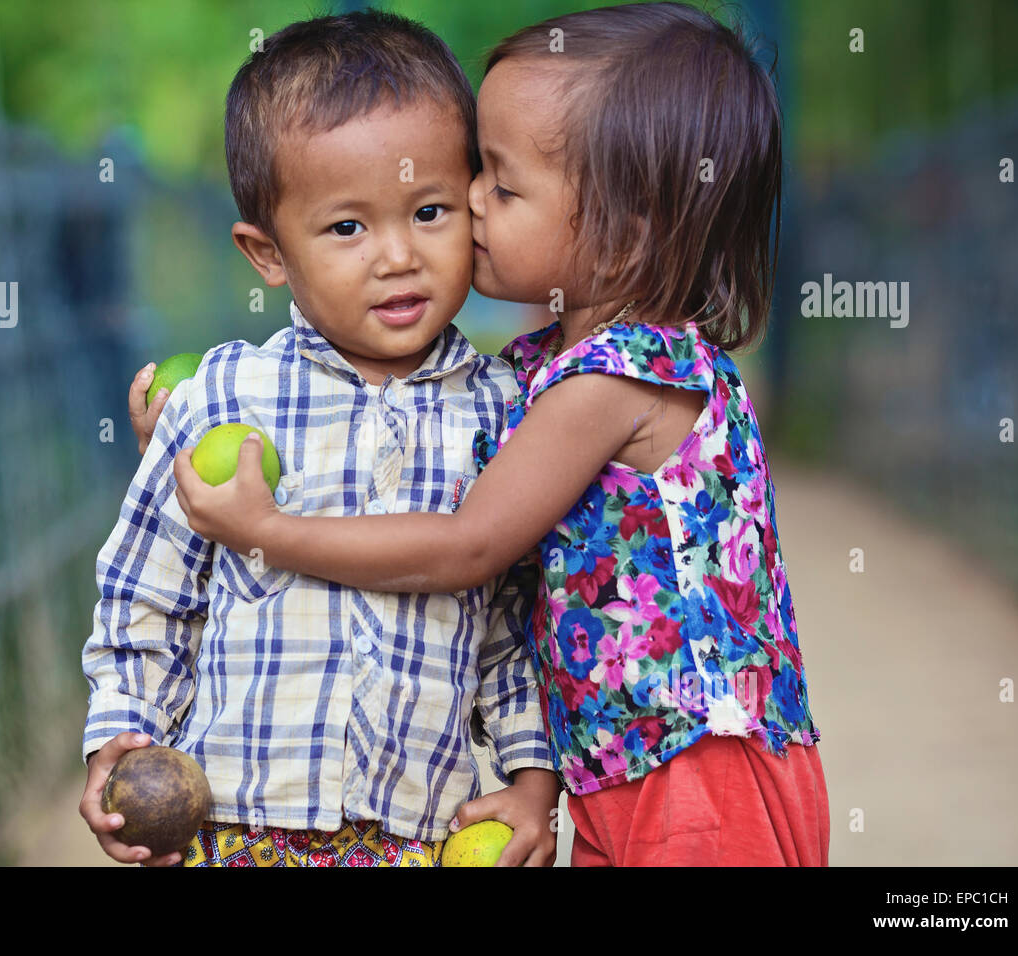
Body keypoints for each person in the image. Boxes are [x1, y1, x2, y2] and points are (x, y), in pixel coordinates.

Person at [173, 3, 830, 867]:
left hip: (698, 772)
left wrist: (266, 533)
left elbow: (468, 546)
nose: (469, 198)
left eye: (501, 183)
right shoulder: (550, 366)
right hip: (620, 768)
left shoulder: (619, 375)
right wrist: (195, 425)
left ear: (623, 232)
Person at [79, 9, 559, 868]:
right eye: (347, 228)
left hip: (420, 833)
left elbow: (515, 624)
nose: (398, 255)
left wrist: (531, 775)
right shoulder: (226, 399)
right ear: (267, 253)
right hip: (232, 825)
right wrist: (120, 733)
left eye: (430, 210)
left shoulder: (507, 410)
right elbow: (149, 592)